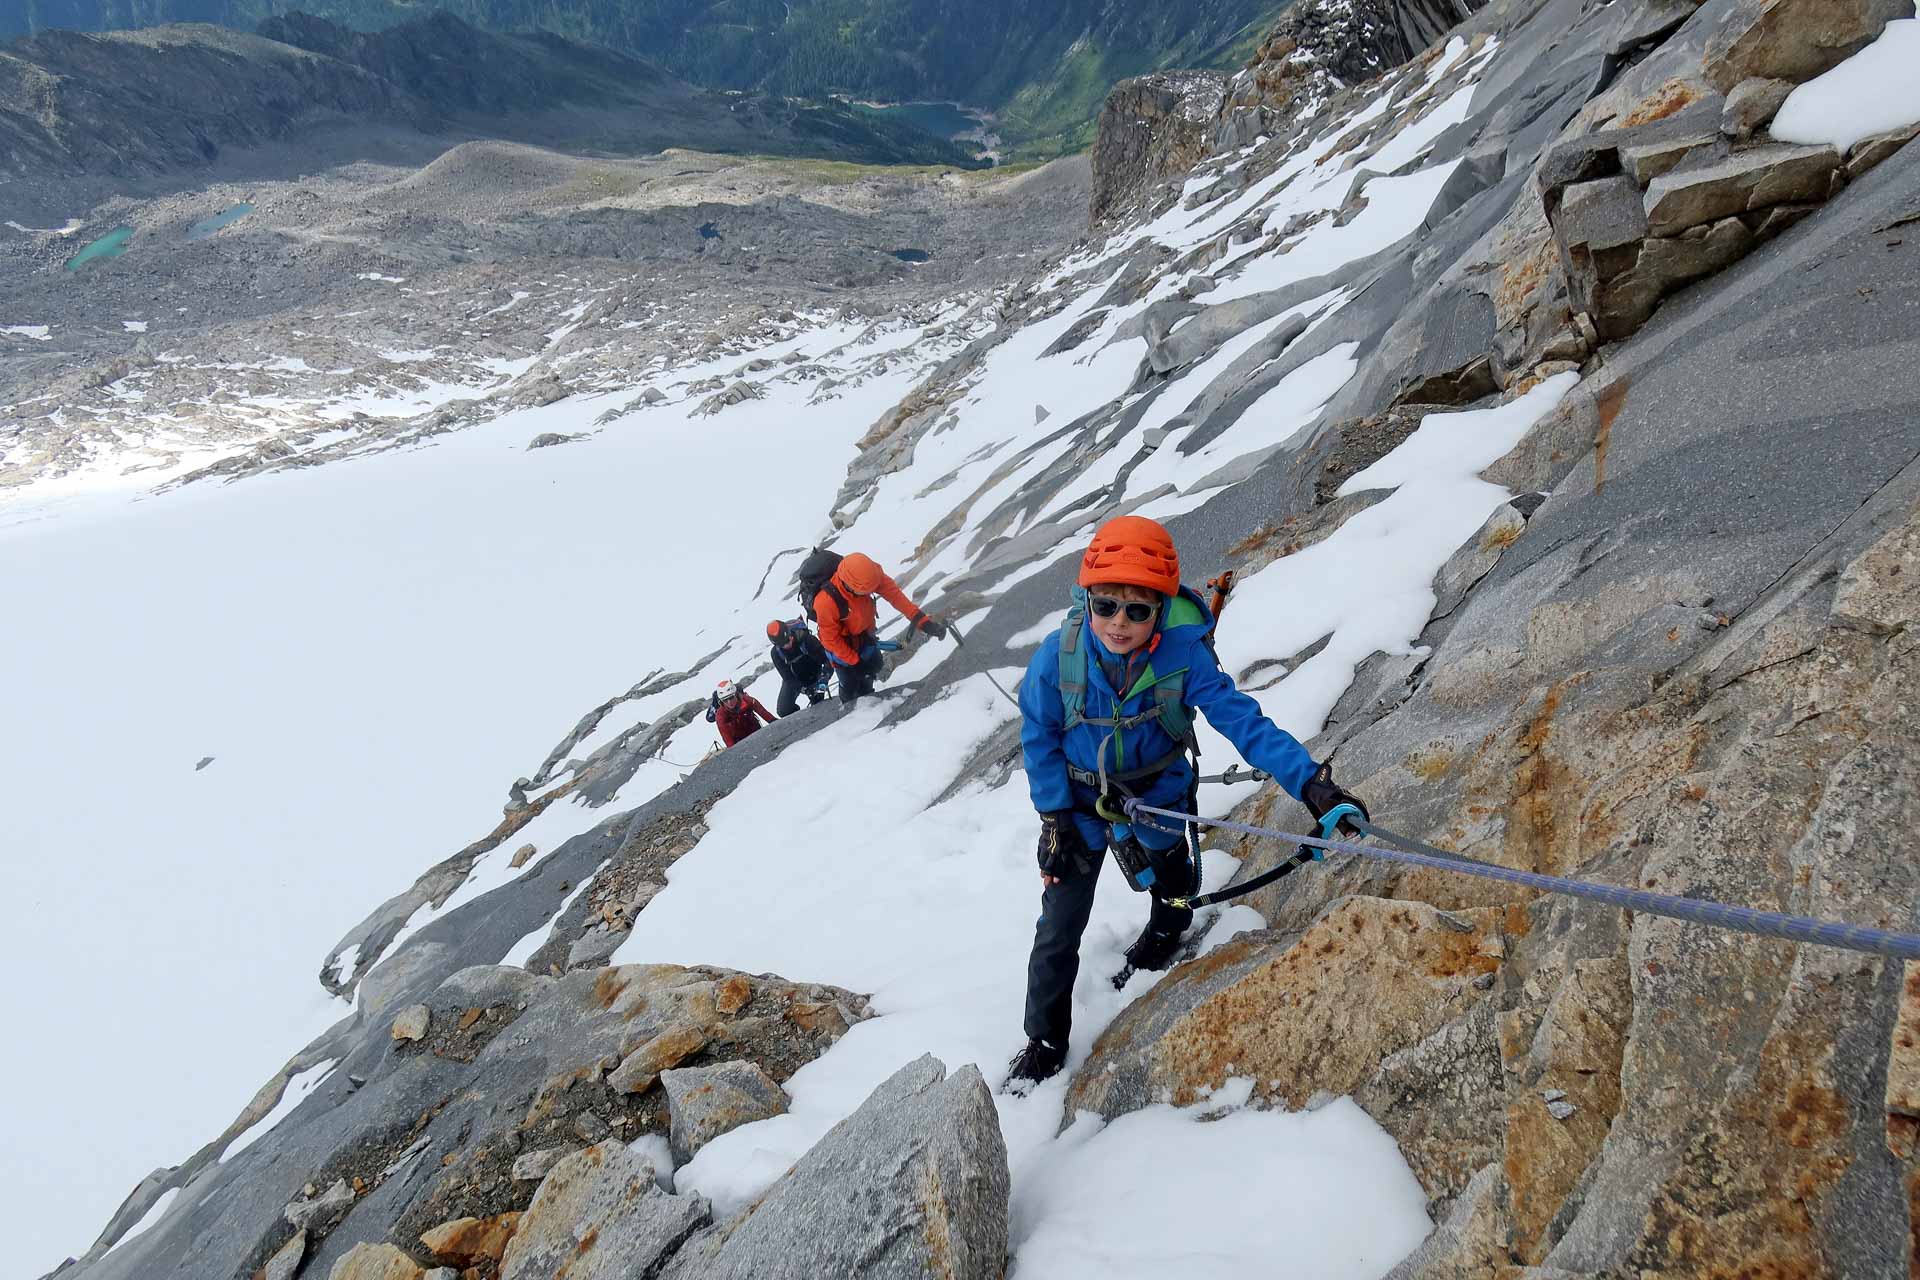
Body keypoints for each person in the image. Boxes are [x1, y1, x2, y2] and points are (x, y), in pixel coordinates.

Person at [1005, 515, 1369, 1090]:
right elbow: (1039, 736)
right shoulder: (1059, 657)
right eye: (1105, 605)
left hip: (1157, 792)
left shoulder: (1184, 656)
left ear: (1160, 608)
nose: (1119, 622)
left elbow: (1245, 724)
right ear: (1087, 599)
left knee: (1170, 873)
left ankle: (1165, 929)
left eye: (1137, 610)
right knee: (1059, 924)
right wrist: (1053, 818)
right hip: (1078, 801)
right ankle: (1044, 1041)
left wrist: (1311, 784)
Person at [795, 548, 948, 705]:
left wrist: (924, 622)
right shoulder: (826, 602)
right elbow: (830, 640)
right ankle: (848, 706)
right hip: (841, 646)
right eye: (865, 592)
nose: (872, 591)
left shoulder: (871, 575)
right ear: (851, 587)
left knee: (872, 669)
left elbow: (896, 597)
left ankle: (869, 698)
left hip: (865, 635)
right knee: (849, 683)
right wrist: (855, 662)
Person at [767, 619, 833, 716]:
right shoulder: (776, 653)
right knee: (783, 710)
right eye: (783, 644)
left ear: (790, 633)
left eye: (788, 639)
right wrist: (803, 689)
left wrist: (823, 680)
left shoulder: (807, 639)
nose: (788, 644)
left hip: (815, 674)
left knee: (818, 701)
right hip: (795, 678)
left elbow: (828, 660)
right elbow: (788, 678)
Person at [706, 679, 774, 747]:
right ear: (721, 701)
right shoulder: (720, 715)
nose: (729, 702)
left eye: (731, 697)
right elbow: (727, 738)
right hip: (739, 741)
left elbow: (767, 716)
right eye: (725, 700)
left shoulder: (748, 700)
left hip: (756, 731)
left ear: (736, 694)